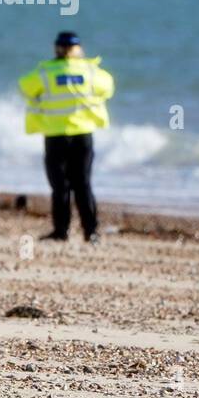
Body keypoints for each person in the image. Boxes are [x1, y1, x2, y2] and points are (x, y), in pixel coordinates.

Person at [18, 31, 115, 243]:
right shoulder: (90, 71)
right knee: (83, 185)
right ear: (78, 49)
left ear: (56, 49)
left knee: (60, 186)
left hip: (55, 135)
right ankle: (91, 232)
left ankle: (61, 232)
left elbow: (24, 87)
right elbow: (108, 87)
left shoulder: (45, 72)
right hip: (82, 134)